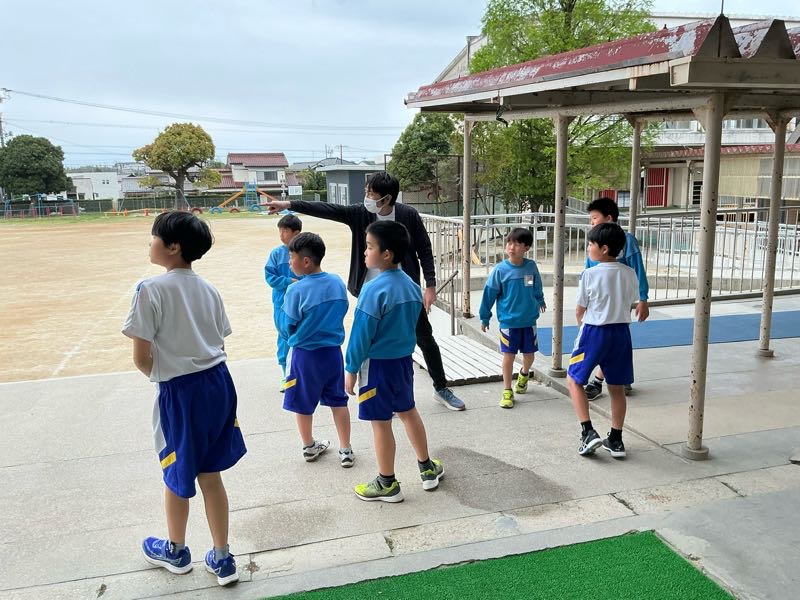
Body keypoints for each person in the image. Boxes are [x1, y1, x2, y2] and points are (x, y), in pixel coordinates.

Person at [265, 171, 466, 412]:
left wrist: (430, 285)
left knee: (424, 337)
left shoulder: (407, 215)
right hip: (370, 293)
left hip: (402, 292)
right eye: (367, 192)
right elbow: (328, 209)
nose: (367, 197)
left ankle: (441, 387)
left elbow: (424, 248)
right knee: (369, 340)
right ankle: (379, 394)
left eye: (371, 193)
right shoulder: (360, 213)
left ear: (387, 198)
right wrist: (289, 204)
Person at [122, 211, 246, 587]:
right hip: (219, 384)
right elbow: (219, 339)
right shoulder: (209, 289)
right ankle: (222, 557)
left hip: (181, 391)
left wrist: (166, 380)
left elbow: (141, 357)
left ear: (173, 247)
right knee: (211, 473)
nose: (150, 242)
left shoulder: (150, 289)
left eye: (154, 237)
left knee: (176, 472)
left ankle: (176, 551)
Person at [344, 221, 444, 503]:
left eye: (369, 247)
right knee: (408, 411)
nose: (365, 252)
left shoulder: (373, 290)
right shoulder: (412, 286)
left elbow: (361, 335)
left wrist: (351, 368)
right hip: (402, 363)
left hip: (376, 368)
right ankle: (427, 468)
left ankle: (386, 483)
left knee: (380, 423)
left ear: (386, 254)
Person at [277, 232, 354, 467]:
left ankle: (309, 446)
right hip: (332, 353)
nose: (289, 262)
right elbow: (342, 309)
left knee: (302, 403)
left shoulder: (296, 290)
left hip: (304, 356)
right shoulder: (337, 282)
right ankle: (346, 450)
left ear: (306, 261)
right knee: (338, 401)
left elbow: (286, 325)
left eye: (291, 258)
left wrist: (294, 335)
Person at [568, 222, 639, 459]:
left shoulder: (589, 274)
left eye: (591, 244)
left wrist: (582, 330)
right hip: (621, 334)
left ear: (604, 248)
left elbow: (580, 309)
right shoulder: (629, 273)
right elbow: (632, 301)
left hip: (594, 332)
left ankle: (587, 432)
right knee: (616, 388)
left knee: (574, 379)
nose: (588, 248)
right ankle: (616, 439)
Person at [583, 197, 650, 400]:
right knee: (607, 342)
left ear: (609, 218)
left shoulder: (626, 241)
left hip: (618, 302)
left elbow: (638, 269)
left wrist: (643, 299)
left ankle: (601, 380)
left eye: (595, 218)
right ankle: (616, 377)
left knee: (612, 341)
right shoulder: (594, 243)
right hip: (598, 303)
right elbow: (587, 271)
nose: (592, 222)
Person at [479, 227, 546, 409]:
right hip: (508, 323)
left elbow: (535, 285)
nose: (511, 247)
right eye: (509, 243)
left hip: (529, 321)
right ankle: (507, 390)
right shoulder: (500, 270)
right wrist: (485, 317)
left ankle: (524, 375)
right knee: (508, 357)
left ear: (526, 247)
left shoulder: (531, 267)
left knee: (529, 356)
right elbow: (489, 294)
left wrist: (540, 299)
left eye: (517, 244)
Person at [264, 213, 303, 392]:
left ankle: (300, 373)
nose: (281, 235)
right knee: (284, 337)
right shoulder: (276, 254)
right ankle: (285, 376)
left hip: (301, 304)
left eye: (285, 231)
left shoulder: (305, 252)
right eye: (280, 230)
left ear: (296, 233)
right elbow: (270, 277)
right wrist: (288, 282)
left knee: (301, 335)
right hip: (281, 303)